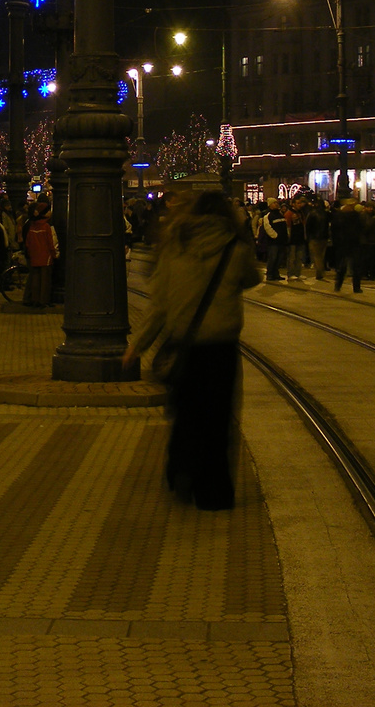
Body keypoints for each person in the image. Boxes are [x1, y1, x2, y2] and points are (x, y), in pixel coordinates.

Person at [125, 189, 260, 511]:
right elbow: (251, 280)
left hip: (183, 344)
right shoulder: (235, 247)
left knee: (186, 413)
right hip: (222, 348)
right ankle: (215, 494)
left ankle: (181, 471)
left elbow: (159, 305)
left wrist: (136, 347)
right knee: (218, 419)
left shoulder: (176, 246)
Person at [23, 201, 58, 307]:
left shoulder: (32, 225)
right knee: (45, 280)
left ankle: (35, 299)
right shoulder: (46, 226)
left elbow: (28, 242)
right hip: (45, 256)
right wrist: (54, 254)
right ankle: (44, 301)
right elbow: (50, 242)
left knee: (36, 279)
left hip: (35, 256)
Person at [331, 197, 364, 293]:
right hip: (348, 243)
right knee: (346, 266)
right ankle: (346, 285)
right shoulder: (347, 216)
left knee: (350, 266)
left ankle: (342, 285)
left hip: (348, 243)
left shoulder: (342, 216)